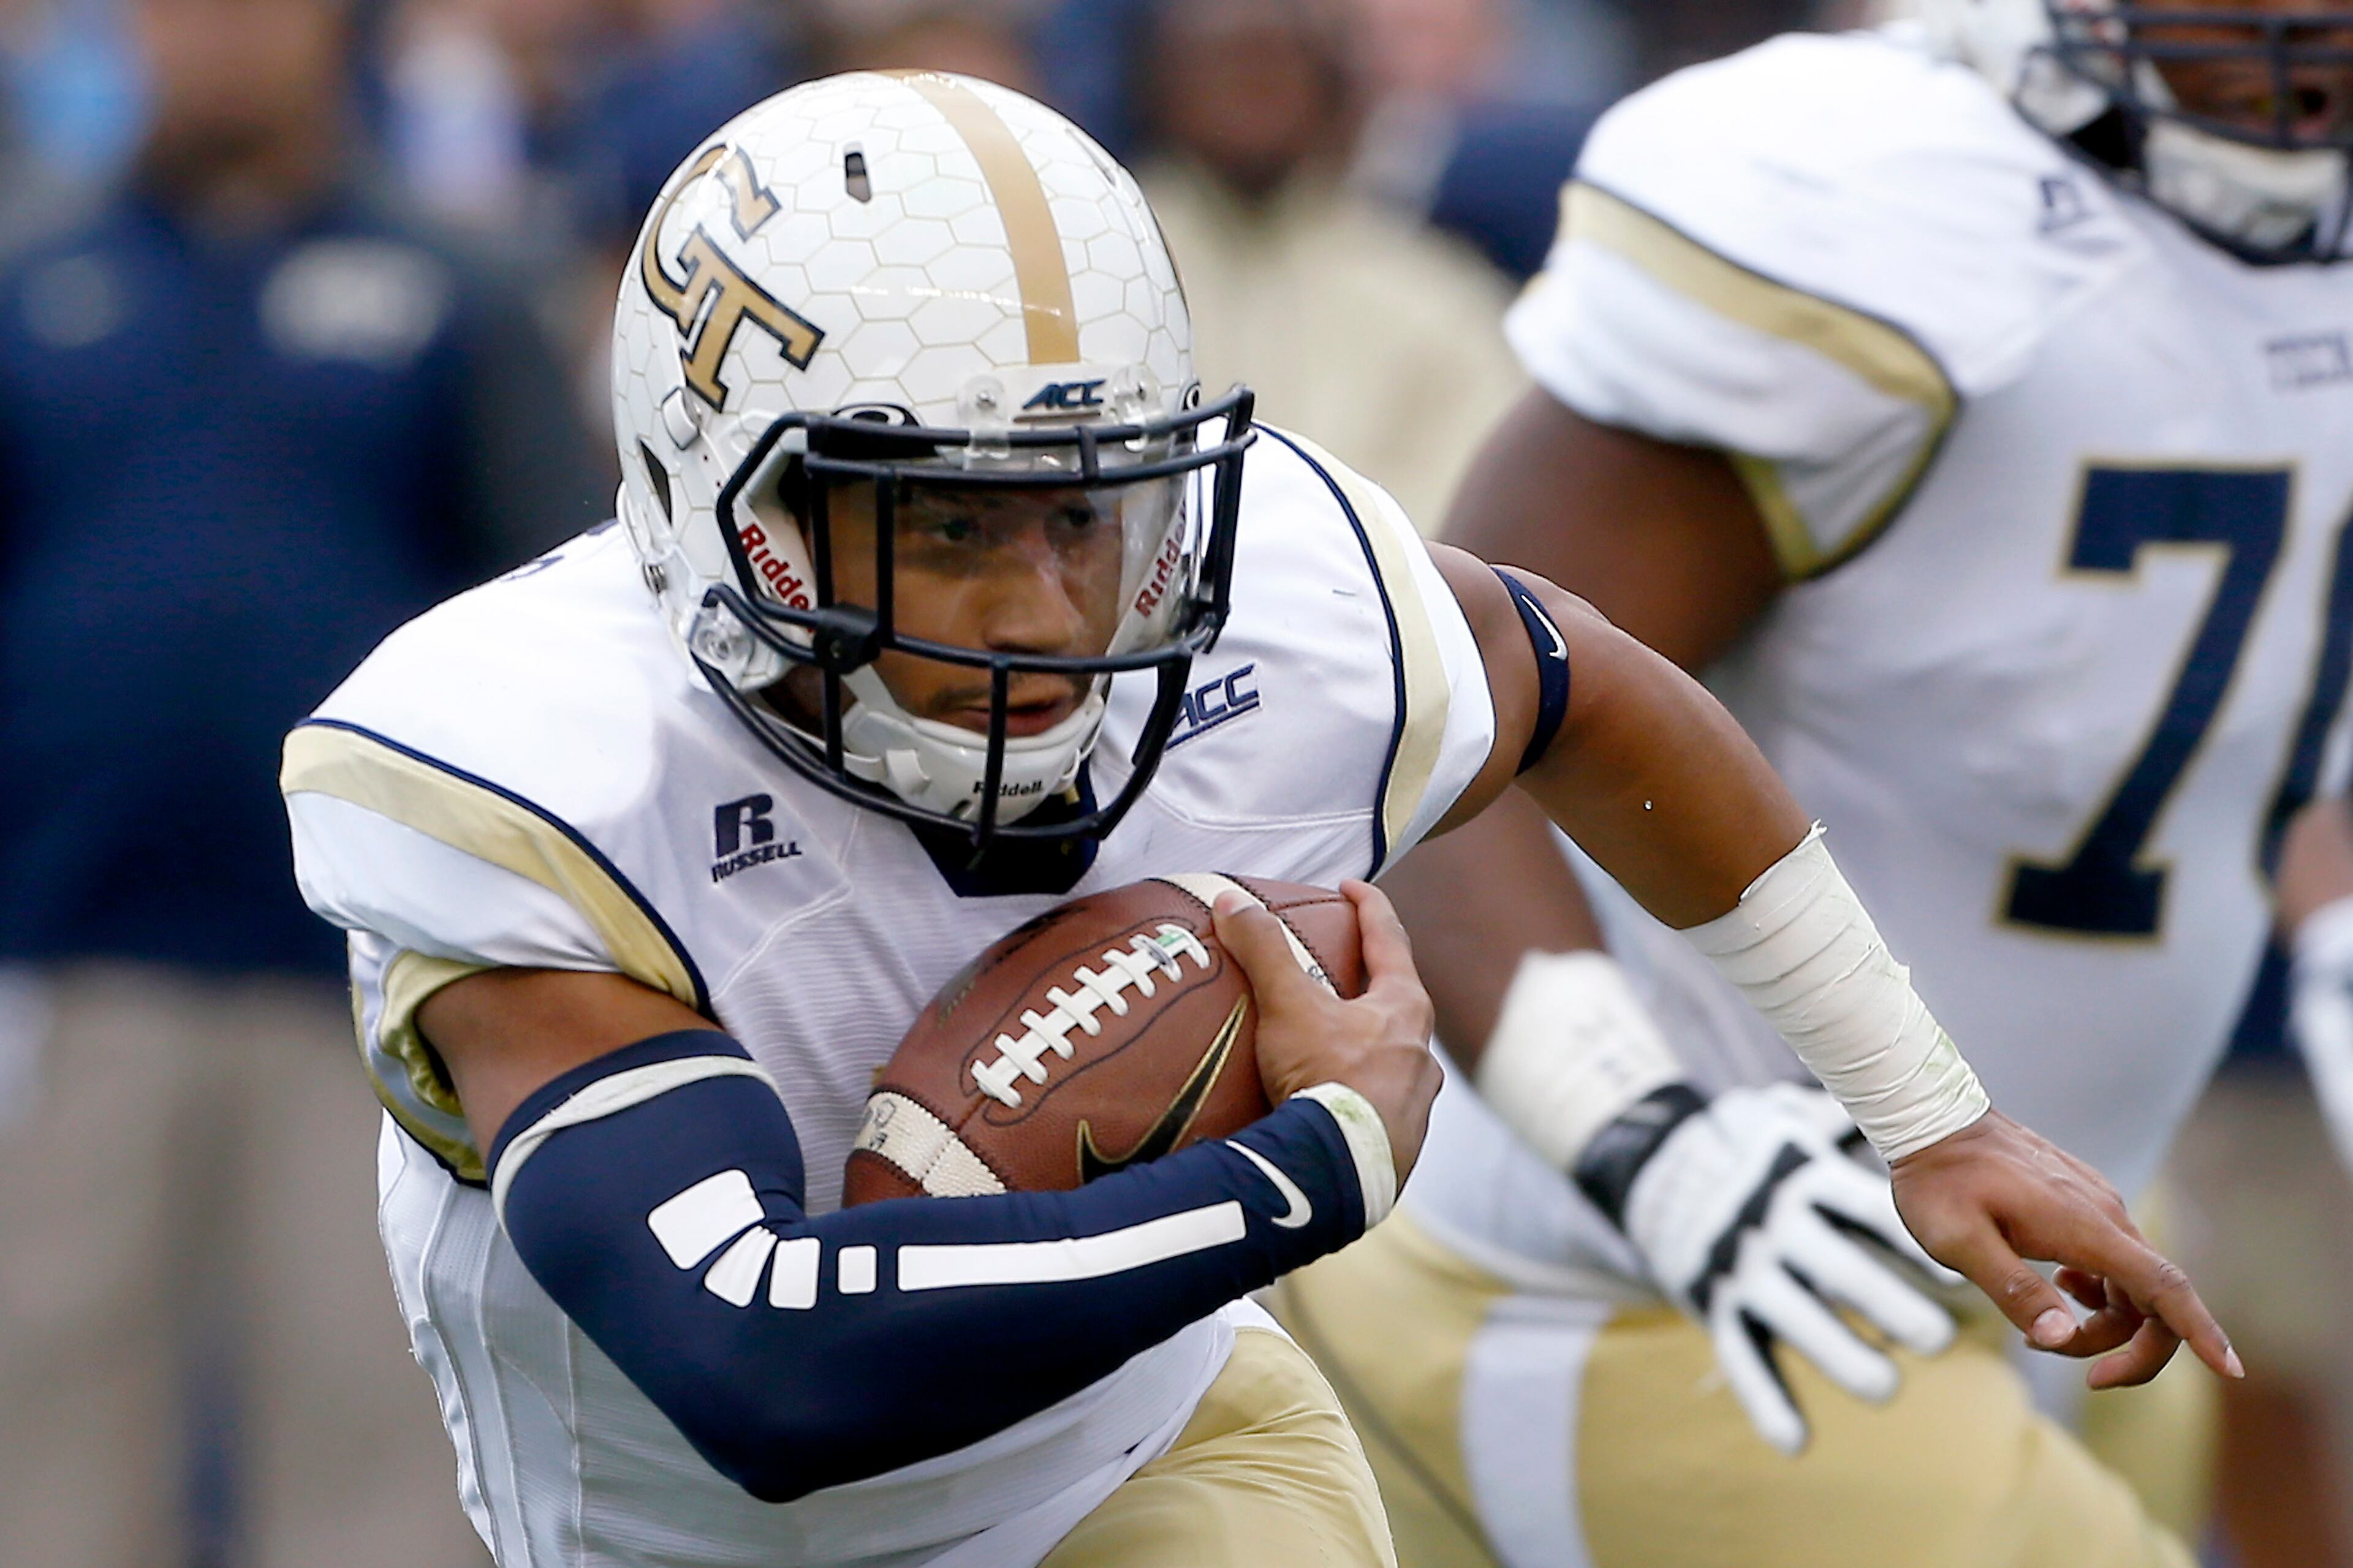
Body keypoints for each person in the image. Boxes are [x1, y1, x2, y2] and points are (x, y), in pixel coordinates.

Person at [276, 67, 2232, 1568]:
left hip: (1142, 1459)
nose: (1048, 611)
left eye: (1088, 512)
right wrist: (1302, 1171)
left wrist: (1925, 1112)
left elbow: (1591, 693)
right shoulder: (533, 772)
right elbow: (762, 1361)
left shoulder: (1289, 598)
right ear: (746, 518)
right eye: (947, 523)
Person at [1266, 2, 2353, 1564]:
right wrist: (1645, 1141)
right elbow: (1435, 731)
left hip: (2060, 1214)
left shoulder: (2293, 243)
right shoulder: (1882, 215)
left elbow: (2208, 671)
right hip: (1673, 1273)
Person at [0, 0, 599, 1559]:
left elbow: (552, 611)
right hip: (70, 960)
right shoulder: (30, 282)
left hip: (376, 990)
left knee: (377, 1432)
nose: (213, 37)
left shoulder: (457, 291)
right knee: (45, 1425)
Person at [1133, 0, 1523, 531]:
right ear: (1165, 85)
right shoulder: (1097, 271)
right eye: (1226, 60)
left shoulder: (1440, 300)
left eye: (1275, 62)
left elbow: (1473, 510)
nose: (1251, 86)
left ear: (1334, 88)